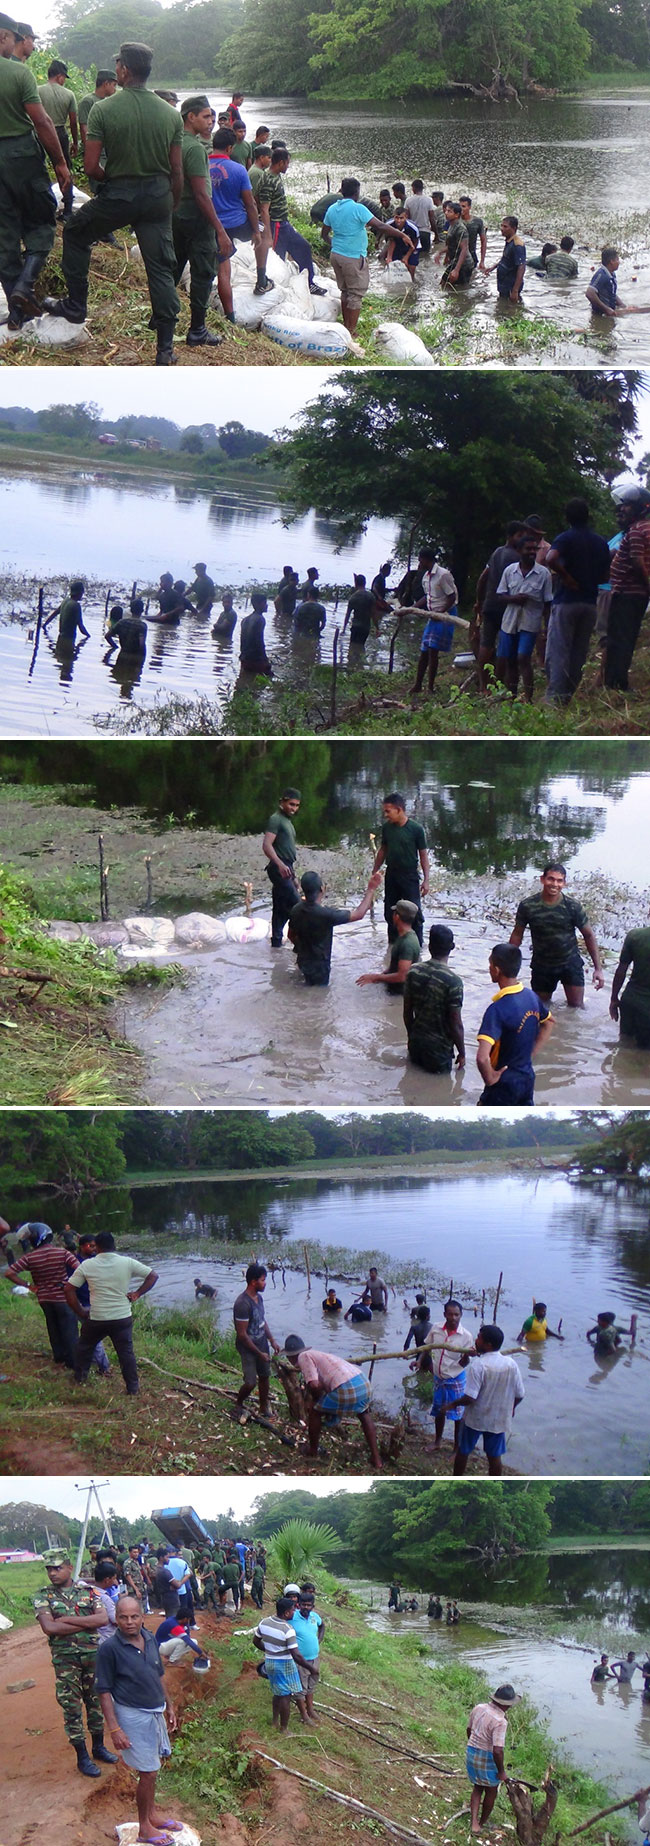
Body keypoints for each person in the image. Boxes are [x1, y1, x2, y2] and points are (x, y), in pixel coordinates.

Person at [43, 43, 183, 367]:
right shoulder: (169, 114)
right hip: (158, 198)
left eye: (118, 64)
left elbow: (91, 167)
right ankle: (165, 349)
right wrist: (171, 202)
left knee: (76, 231)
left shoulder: (104, 109)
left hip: (120, 194)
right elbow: (177, 170)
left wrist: (113, 180)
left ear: (123, 71)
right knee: (160, 267)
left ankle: (76, 305)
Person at [0, 16, 72, 330]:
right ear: (2, 36)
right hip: (21, 155)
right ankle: (24, 285)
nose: (15, 45)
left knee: (4, 235)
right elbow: (41, 121)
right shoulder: (18, 73)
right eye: (13, 39)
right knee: (42, 221)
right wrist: (59, 162)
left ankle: (18, 314)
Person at [96, 1593, 181, 1840]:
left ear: (142, 1617)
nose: (129, 1621)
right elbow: (103, 1691)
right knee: (149, 1770)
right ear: (116, 1619)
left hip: (155, 1711)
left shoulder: (149, 1638)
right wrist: (114, 1729)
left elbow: (159, 1675)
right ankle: (144, 1827)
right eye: (123, 1617)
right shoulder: (109, 1649)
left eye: (134, 1616)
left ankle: (152, 1815)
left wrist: (170, 1705)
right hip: (132, 1714)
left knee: (152, 1767)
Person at [34, 1548, 116, 1778]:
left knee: (95, 1703)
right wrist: (85, 1623)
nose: (53, 1573)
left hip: (92, 1658)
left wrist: (68, 1620)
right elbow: (49, 1627)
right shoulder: (43, 1596)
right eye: (49, 1569)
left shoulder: (88, 1592)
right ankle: (82, 1757)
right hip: (65, 1662)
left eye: (58, 1567)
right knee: (71, 1708)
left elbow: (102, 1619)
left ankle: (98, 1747)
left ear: (70, 1567)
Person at [64, 1229, 158, 1394]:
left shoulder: (87, 1265)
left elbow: (69, 1289)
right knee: (126, 1353)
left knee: (84, 1347)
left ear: (97, 1247)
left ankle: (80, 1378)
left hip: (97, 1317)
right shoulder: (127, 1262)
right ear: (114, 1245)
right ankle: (133, 1388)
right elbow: (153, 1276)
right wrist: (137, 1293)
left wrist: (79, 1310)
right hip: (122, 1318)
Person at [173, 97, 232, 348]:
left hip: (176, 214)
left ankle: (161, 318)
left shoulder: (175, 142)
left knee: (173, 268)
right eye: (206, 117)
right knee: (203, 274)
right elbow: (200, 193)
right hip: (198, 219)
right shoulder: (195, 149)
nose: (211, 122)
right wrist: (220, 230)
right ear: (191, 117)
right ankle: (197, 329)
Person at [544, 498, 611, 704]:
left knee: (558, 650)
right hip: (590, 603)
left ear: (567, 517)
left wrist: (566, 577)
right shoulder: (600, 542)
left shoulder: (565, 538)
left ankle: (555, 697)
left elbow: (550, 558)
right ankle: (568, 696)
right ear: (588, 516)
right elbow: (606, 576)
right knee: (579, 652)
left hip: (566, 601)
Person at [510, 862, 604, 1008]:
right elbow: (517, 934)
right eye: (551, 879)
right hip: (542, 965)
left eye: (559, 881)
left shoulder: (572, 906)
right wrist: (508, 966)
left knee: (576, 1008)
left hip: (570, 964)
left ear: (564, 883)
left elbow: (589, 935)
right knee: (540, 1009)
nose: (554, 884)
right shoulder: (528, 905)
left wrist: (598, 969)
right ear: (542, 879)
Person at [283, 1334, 382, 1468]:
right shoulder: (319, 1355)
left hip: (348, 1387)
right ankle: (377, 1460)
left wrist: (317, 1401)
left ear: (290, 1356)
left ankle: (312, 1450)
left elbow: (314, 1385)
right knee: (364, 1414)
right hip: (364, 1383)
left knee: (314, 1411)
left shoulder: (303, 1357)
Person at [477, 942, 553, 1107]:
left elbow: (482, 1058)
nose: (489, 969)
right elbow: (549, 1023)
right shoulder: (531, 997)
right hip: (527, 1078)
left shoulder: (497, 1009)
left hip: (504, 1083)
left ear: (497, 970)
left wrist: (490, 1079)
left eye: (490, 965)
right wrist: (530, 1054)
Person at [288, 868, 382, 986]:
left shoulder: (296, 909)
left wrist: (301, 948)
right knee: (319, 996)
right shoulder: (326, 914)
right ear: (322, 889)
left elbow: (290, 935)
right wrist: (371, 888)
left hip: (302, 962)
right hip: (320, 968)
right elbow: (359, 914)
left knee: (304, 989)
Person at [4, 1223, 80, 1368]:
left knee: (52, 1326)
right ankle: (72, 1362)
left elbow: (9, 1273)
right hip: (62, 1297)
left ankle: (59, 1357)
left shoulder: (30, 1257)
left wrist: (28, 1285)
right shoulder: (62, 1253)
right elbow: (80, 1269)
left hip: (44, 1298)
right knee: (69, 1329)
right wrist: (70, 1284)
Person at [453, 1326, 525, 1476]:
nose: (475, 1340)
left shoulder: (478, 1365)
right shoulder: (511, 1364)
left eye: (479, 1338)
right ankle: (494, 1482)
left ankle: (456, 1478)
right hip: (497, 1419)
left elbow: (470, 1398)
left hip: (475, 1419)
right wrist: (512, 1408)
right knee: (494, 1457)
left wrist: (451, 1405)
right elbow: (520, 1394)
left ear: (488, 1345)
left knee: (463, 1451)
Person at [208, 125, 266, 305]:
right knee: (265, 234)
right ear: (230, 148)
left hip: (210, 224)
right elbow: (250, 204)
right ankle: (261, 278)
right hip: (236, 224)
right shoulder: (238, 169)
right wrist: (256, 231)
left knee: (217, 264)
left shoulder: (201, 165)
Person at [321, 176, 385, 338]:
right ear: (357, 192)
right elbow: (381, 225)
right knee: (355, 294)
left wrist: (335, 245)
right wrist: (403, 236)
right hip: (353, 257)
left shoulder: (332, 209)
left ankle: (346, 326)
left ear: (342, 191)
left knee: (345, 291)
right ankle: (351, 331)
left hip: (336, 255)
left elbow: (324, 234)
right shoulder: (358, 209)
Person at [257, 146, 326, 294]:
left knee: (304, 247)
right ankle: (276, 289)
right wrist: (268, 234)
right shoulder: (269, 180)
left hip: (284, 224)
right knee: (278, 259)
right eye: (287, 163)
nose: (288, 166)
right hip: (275, 226)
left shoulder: (276, 176)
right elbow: (263, 208)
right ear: (281, 163)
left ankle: (309, 283)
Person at [495, 529, 553, 701]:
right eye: (528, 549)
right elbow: (500, 595)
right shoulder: (510, 571)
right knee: (510, 660)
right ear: (519, 551)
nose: (532, 552)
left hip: (530, 623)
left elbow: (548, 603)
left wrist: (546, 627)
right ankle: (511, 697)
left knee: (523, 658)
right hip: (510, 622)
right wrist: (514, 598)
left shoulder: (543, 574)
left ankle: (528, 698)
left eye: (534, 549)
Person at [604, 484, 650, 691]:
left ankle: (617, 683)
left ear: (641, 507)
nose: (622, 509)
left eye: (628, 506)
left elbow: (638, 563)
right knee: (622, 638)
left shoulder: (638, 530)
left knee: (620, 639)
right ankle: (614, 681)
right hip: (629, 593)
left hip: (628, 594)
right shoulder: (640, 529)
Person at [403, 923, 465, 1074]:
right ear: (452, 947)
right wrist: (462, 1053)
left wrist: (412, 1037)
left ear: (429, 946)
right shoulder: (453, 982)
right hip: (439, 1052)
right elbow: (455, 1023)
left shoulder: (414, 971)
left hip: (415, 1045)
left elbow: (407, 1012)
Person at [474, 520, 527, 693]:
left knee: (486, 644)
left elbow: (483, 578)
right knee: (505, 646)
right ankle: (499, 684)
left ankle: (484, 685)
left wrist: (479, 601)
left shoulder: (497, 552)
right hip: (506, 606)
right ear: (510, 537)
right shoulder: (515, 557)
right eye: (520, 536)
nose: (523, 539)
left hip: (490, 605)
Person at [418, 1299, 475, 1451]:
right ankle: (437, 1441)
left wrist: (468, 1355)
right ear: (445, 1314)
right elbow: (427, 1347)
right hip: (439, 1377)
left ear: (461, 1315)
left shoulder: (466, 1336)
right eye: (450, 1314)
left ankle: (457, 1448)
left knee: (458, 1415)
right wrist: (419, 1361)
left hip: (455, 1378)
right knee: (439, 1410)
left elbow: (465, 1363)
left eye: (456, 1314)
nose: (453, 1318)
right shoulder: (436, 1329)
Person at [372, 792, 429, 945]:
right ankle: (393, 946)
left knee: (414, 912)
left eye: (388, 811)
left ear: (399, 810)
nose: (385, 815)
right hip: (392, 875)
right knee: (390, 912)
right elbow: (383, 850)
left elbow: (423, 855)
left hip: (409, 876)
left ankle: (417, 945)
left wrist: (426, 880)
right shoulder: (387, 828)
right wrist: (375, 871)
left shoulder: (416, 829)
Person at [252, 1594, 313, 1730]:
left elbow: (255, 1641)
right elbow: (296, 1655)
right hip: (284, 1665)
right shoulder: (288, 1629)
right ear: (286, 1613)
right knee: (285, 1697)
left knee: (277, 1693)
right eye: (292, 1610)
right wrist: (311, 1668)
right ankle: (284, 1729)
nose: (294, 1612)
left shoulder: (264, 1622)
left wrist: (270, 1651)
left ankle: (275, 1721)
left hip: (270, 1663)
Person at [465, 1684, 519, 1834]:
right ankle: (480, 1823)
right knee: (491, 1792)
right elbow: (497, 1750)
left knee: (477, 1787)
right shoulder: (500, 1721)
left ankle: (474, 1821)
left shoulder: (479, 1708)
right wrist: (502, 1772)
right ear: (505, 1704)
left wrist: (473, 1746)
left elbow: (469, 1730)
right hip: (487, 1757)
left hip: (471, 1752)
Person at [233, 1261, 280, 1416]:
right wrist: (259, 1354)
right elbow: (242, 1335)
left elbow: (261, 1321)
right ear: (253, 1282)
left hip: (261, 1342)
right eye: (262, 1280)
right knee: (250, 1382)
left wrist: (272, 1340)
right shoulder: (242, 1303)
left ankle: (263, 1407)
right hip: (247, 1346)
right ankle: (239, 1403)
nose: (265, 1283)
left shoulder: (259, 1299)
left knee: (265, 1376)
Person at [263, 786, 302, 948]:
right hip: (278, 868)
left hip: (287, 868)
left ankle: (276, 945)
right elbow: (266, 845)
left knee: (279, 909)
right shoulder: (276, 819)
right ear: (282, 802)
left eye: (297, 805)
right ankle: (302, 944)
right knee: (298, 906)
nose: (294, 808)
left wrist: (294, 877)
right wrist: (279, 865)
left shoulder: (287, 821)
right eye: (291, 804)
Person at [356, 898, 421, 994]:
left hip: (399, 992)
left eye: (394, 913)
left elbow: (402, 976)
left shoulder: (407, 943)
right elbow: (395, 966)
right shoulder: (404, 936)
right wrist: (378, 977)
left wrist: (376, 977)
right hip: (394, 988)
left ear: (397, 917)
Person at [38, 57, 76, 217]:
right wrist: (75, 141)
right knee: (64, 169)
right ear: (60, 76)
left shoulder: (37, 90)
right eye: (64, 78)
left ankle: (40, 206)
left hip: (39, 131)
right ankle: (67, 209)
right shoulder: (69, 94)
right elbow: (73, 121)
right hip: (59, 133)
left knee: (37, 168)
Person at [610, 912, 650, 1048]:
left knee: (624, 1045)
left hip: (630, 1001)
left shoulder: (634, 936)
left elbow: (621, 970)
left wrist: (614, 999)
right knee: (643, 1057)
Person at [73, 1233, 111, 1375]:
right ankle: (102, 1366)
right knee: (90, 1337)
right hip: (82, 1303)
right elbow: (70, 1285)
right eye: (90, 1246)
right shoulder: (75, 1262)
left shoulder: (98, 1261)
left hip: (97, 1302)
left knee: (91, 1336)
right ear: (82, 1246)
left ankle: (100, 1365)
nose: (94, 1249)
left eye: (95, 1246)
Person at [291, 1590, 325, 1721]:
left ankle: (310, 1710)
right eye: (303, 1604)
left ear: (313, 1606)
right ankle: (304, 1715)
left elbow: (322, 1626)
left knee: (311, 1685)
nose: (306, 1607)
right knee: (300, 1688)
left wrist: (319, 1639)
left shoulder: (314, 1617)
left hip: (314, 1657)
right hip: (300, 1660)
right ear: (298, 1605)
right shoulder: (292, 1617)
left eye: (308, 1605)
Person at [43, 579, 90, 648]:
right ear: (79, 593)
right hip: (69, 639)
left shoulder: (65, 601)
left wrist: (44, 625)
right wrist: (88, 637)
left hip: (61, 635)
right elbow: (81, 627)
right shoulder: (76, 606)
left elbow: (54, 614)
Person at [343, 573, 381, 649]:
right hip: (365, 628)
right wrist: (377, 628)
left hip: (355, 627)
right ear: (365, 583)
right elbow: (374, 614)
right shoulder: (371, 596)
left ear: (355, 584)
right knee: (361, 647)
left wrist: (344, 628)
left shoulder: (353, 597)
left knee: (352, 648)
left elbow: (347, 615)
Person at [492, 215, 526, 301]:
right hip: (504, 284)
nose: (502, 229)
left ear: (514, 228)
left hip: (511, 286)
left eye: (505, 226)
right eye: (501, 226)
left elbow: (521, 267)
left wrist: (515, 290)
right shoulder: (509, 241)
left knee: (510, 308)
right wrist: (493, 267)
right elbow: (506, 259)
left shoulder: (518, 245)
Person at [438, 203, 473, 287]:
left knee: (459, 289)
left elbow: (464, 249)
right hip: (455, 261)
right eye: (446, 210)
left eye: (449, 211)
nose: (446, 213)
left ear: (457, 215)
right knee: (443, 284)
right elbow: (452, 245)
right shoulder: (451, 225)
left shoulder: (460, 228)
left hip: (464, 264)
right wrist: (440, 253)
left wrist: (456, 270)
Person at [379, 204, 420, 272]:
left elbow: (415, 243)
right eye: (396, 218)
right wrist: (389, 256)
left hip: (412, 245)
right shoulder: (388, 225)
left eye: (401, 218)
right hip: (397, 245)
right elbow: (391, 240)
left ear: (406, 217)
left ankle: (412, 281)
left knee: (411, 267)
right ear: (393, 217)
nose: (398, 221)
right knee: (394, 265)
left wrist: (406, 257)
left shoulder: (413, 228)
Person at [240, 592, 272, 675]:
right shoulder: (260, 619)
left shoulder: (245, 620)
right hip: (255, 660)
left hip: (244, 658)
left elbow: (243, 641)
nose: (266, 605)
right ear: (259, 604)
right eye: (265, 603)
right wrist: (265, 660)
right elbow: (259, 641)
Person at [408, 180, 436, 254]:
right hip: (425, 232)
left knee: (413, 254)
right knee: (426, 256)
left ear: (413, 188)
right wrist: (436, 235)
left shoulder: (408, 201)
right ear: (422, 188)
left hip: (413, 232)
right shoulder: (429, 200)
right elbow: (432, 218)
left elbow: (407, 218)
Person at [459, 195, 487, 270]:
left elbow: (483, 241)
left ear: (469, 207)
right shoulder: (455, 221)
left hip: (471, 256)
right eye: (459, 206)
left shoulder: (477, 222)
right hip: (457, 256)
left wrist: (482, 261)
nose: (461, 209)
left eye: (463, 206)